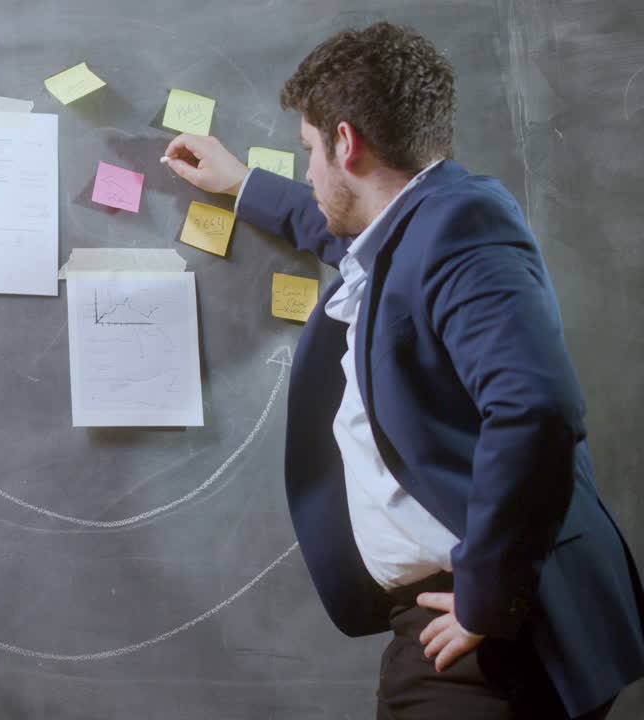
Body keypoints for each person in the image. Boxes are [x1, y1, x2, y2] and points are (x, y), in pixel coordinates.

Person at [162, 21, 644, 719]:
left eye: (308, 152)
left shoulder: (462, 227)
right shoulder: (419, 227)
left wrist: (489, 595)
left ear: (347, 142)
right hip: (475, 616)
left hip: (492, 629)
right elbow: (351, 240)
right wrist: (243, 186)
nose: (308, 172)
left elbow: (536, 408)